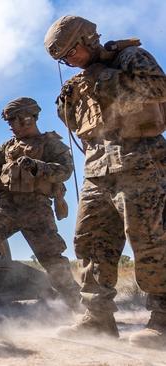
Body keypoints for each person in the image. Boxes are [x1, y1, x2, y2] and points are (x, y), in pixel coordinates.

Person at [44, 15, 166, 348]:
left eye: (71, 53)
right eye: (63, 59)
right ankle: (97, 319)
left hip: (141, 163)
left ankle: (162, 319)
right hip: (98, 171)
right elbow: (73, 121)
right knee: (89, 242)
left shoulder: (128, 59)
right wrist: (70, 96)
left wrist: (102, 78)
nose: (69, 62)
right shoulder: (79, 80)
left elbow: (157, 89)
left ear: (87, 40)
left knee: (149, 241)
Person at [0, 97, 80, 312]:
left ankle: (77, 305)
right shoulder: (9, 147)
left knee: (51, 258)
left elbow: (65, 171)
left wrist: (37, 165)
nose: (10, 126)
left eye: (13, 121)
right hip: (7, 208)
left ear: (27, 119)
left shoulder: (51, 144)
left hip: (36, 209)